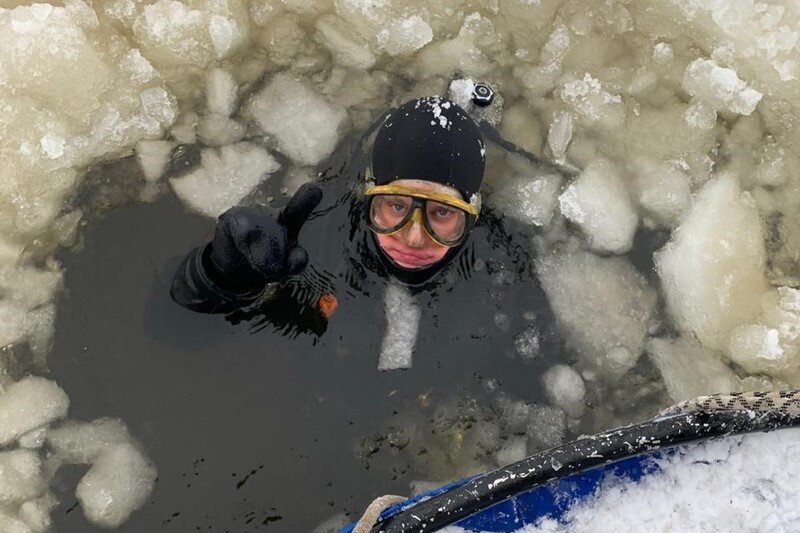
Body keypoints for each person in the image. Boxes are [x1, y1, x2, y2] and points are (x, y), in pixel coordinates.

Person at [171, 95, 487, 314]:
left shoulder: (503, 275)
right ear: (368, 198)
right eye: (396, 206)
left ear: (472, 216)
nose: (414, 237)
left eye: (442, 212)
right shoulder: (312, 243)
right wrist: (220, 277)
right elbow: (171, 336)